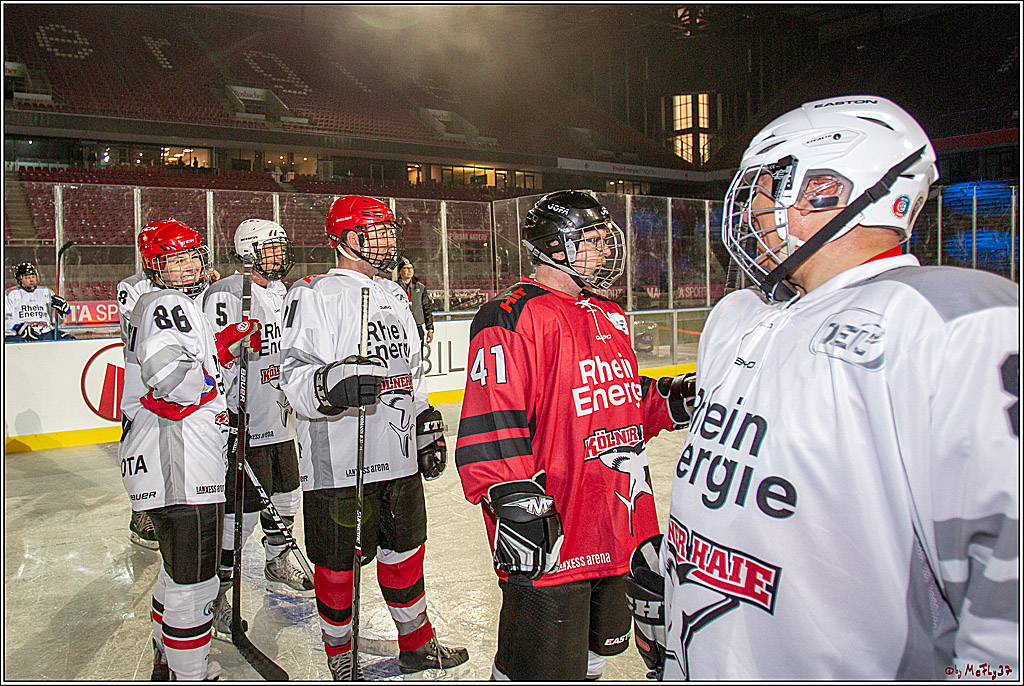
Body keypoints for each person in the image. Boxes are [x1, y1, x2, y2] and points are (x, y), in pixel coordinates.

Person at [628, 95, 1019, 679]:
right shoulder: (740, 316)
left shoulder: (950, 323)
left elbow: (1003, 588)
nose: (753, 209)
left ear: (826, 190)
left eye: (767, 187)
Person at [453, 190, 695, 681]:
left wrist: (666, 401)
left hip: (620, 521)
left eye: (606, 240)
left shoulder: (608, 311)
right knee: (536, 668)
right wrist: (511, 498)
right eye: (594, 241)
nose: (606, 252)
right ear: (555, 245)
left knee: (593, 658)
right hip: (556, 529)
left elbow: (614, 395)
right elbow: (492, 415)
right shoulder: (512, 314)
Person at [279, 194, 470, 680]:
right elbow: (293, 376)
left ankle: (416, 645)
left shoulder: (396, 295)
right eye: (377, 232)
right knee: (337, 565)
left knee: (406, 552)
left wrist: (424, 419)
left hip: (396, 452)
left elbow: (411, 372)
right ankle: (339, 653)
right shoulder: (313, 294)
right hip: (340, 460)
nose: (388, 242)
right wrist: (329, 385)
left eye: (389, 232)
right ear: (346, 239)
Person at [119, 218, 258, 681]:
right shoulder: (167, 302)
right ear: (155, 267)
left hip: (168, 460)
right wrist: (207, 394)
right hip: (180, 462)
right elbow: (168, 375)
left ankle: (167, 652)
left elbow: (183, 361)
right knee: (196, 583)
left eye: (192, 257)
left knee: (176, 572)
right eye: (174, 260)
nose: (188, 267)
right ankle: (190, 673)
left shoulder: (164, 303)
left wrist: (222, 347)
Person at [202, 218, 312, 642]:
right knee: (241, 514)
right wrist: (228, 398)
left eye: (282, 247)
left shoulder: (283, 292)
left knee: (287, 495)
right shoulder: (227, 293)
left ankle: (277, 559)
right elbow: (214, 356)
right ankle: (216, 592)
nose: (280, 256)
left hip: (281, 418)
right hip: (245, 420)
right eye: (271, 249)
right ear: (248, 252)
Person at [5, 262, 72, 342]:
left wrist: (60, 312)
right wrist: (19, 328)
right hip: (20, 335)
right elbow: (5, 319)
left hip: (45, 332)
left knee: (69, 339)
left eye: (33, 277)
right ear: (19, 280)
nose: (31, 280)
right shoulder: (11, 294)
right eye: (27, 277)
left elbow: (57, 321)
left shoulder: (46, 292)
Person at [395, 257, 435, 344]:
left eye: (411, 268)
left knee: (418, 351)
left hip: (417, 326)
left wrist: (430, 328)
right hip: (400, 327)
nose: (409, 271)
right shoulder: (394, 287)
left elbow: (427, 308)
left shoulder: (420, 287)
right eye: (406, 268)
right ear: (400, 271)